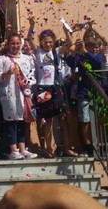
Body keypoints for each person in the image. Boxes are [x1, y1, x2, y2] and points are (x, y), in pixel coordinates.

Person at [26, 16, 75, 158]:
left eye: (50, 42)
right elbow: (29, 39)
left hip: (56, 88)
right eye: (45, 42)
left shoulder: (56, 52)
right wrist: (32, 25)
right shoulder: (39, 52)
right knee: (47, 120)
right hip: (43, 89)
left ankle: (66, 147)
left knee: (62, 118)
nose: (48, 45)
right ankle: (48, 148)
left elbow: (70, 44)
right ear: (41, 42)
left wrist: (66, 32)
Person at [0, 32, 37, 160]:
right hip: (9, 94)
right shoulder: (2, 59)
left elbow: (32, 74)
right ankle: (13, 149)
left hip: (23, 94)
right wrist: (6, 74)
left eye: (17, 43)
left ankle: (23, 149)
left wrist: (27, 83)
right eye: (12, 43)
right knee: (11, 120)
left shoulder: (27, 58)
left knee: (23, 120)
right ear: (8, 44)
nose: (15, 46)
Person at [64, 35, 104, 157]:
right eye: (91, 47)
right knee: (84, 119)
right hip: (83, 92)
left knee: (98, 120)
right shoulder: (81, 57)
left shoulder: (99, 56)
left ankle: (100, 145)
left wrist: (86, 52)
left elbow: (97, 63)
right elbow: (70, 62)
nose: (95, 49)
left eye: (96, 47)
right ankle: (87, 146)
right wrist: (75, 49)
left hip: (96, 93)